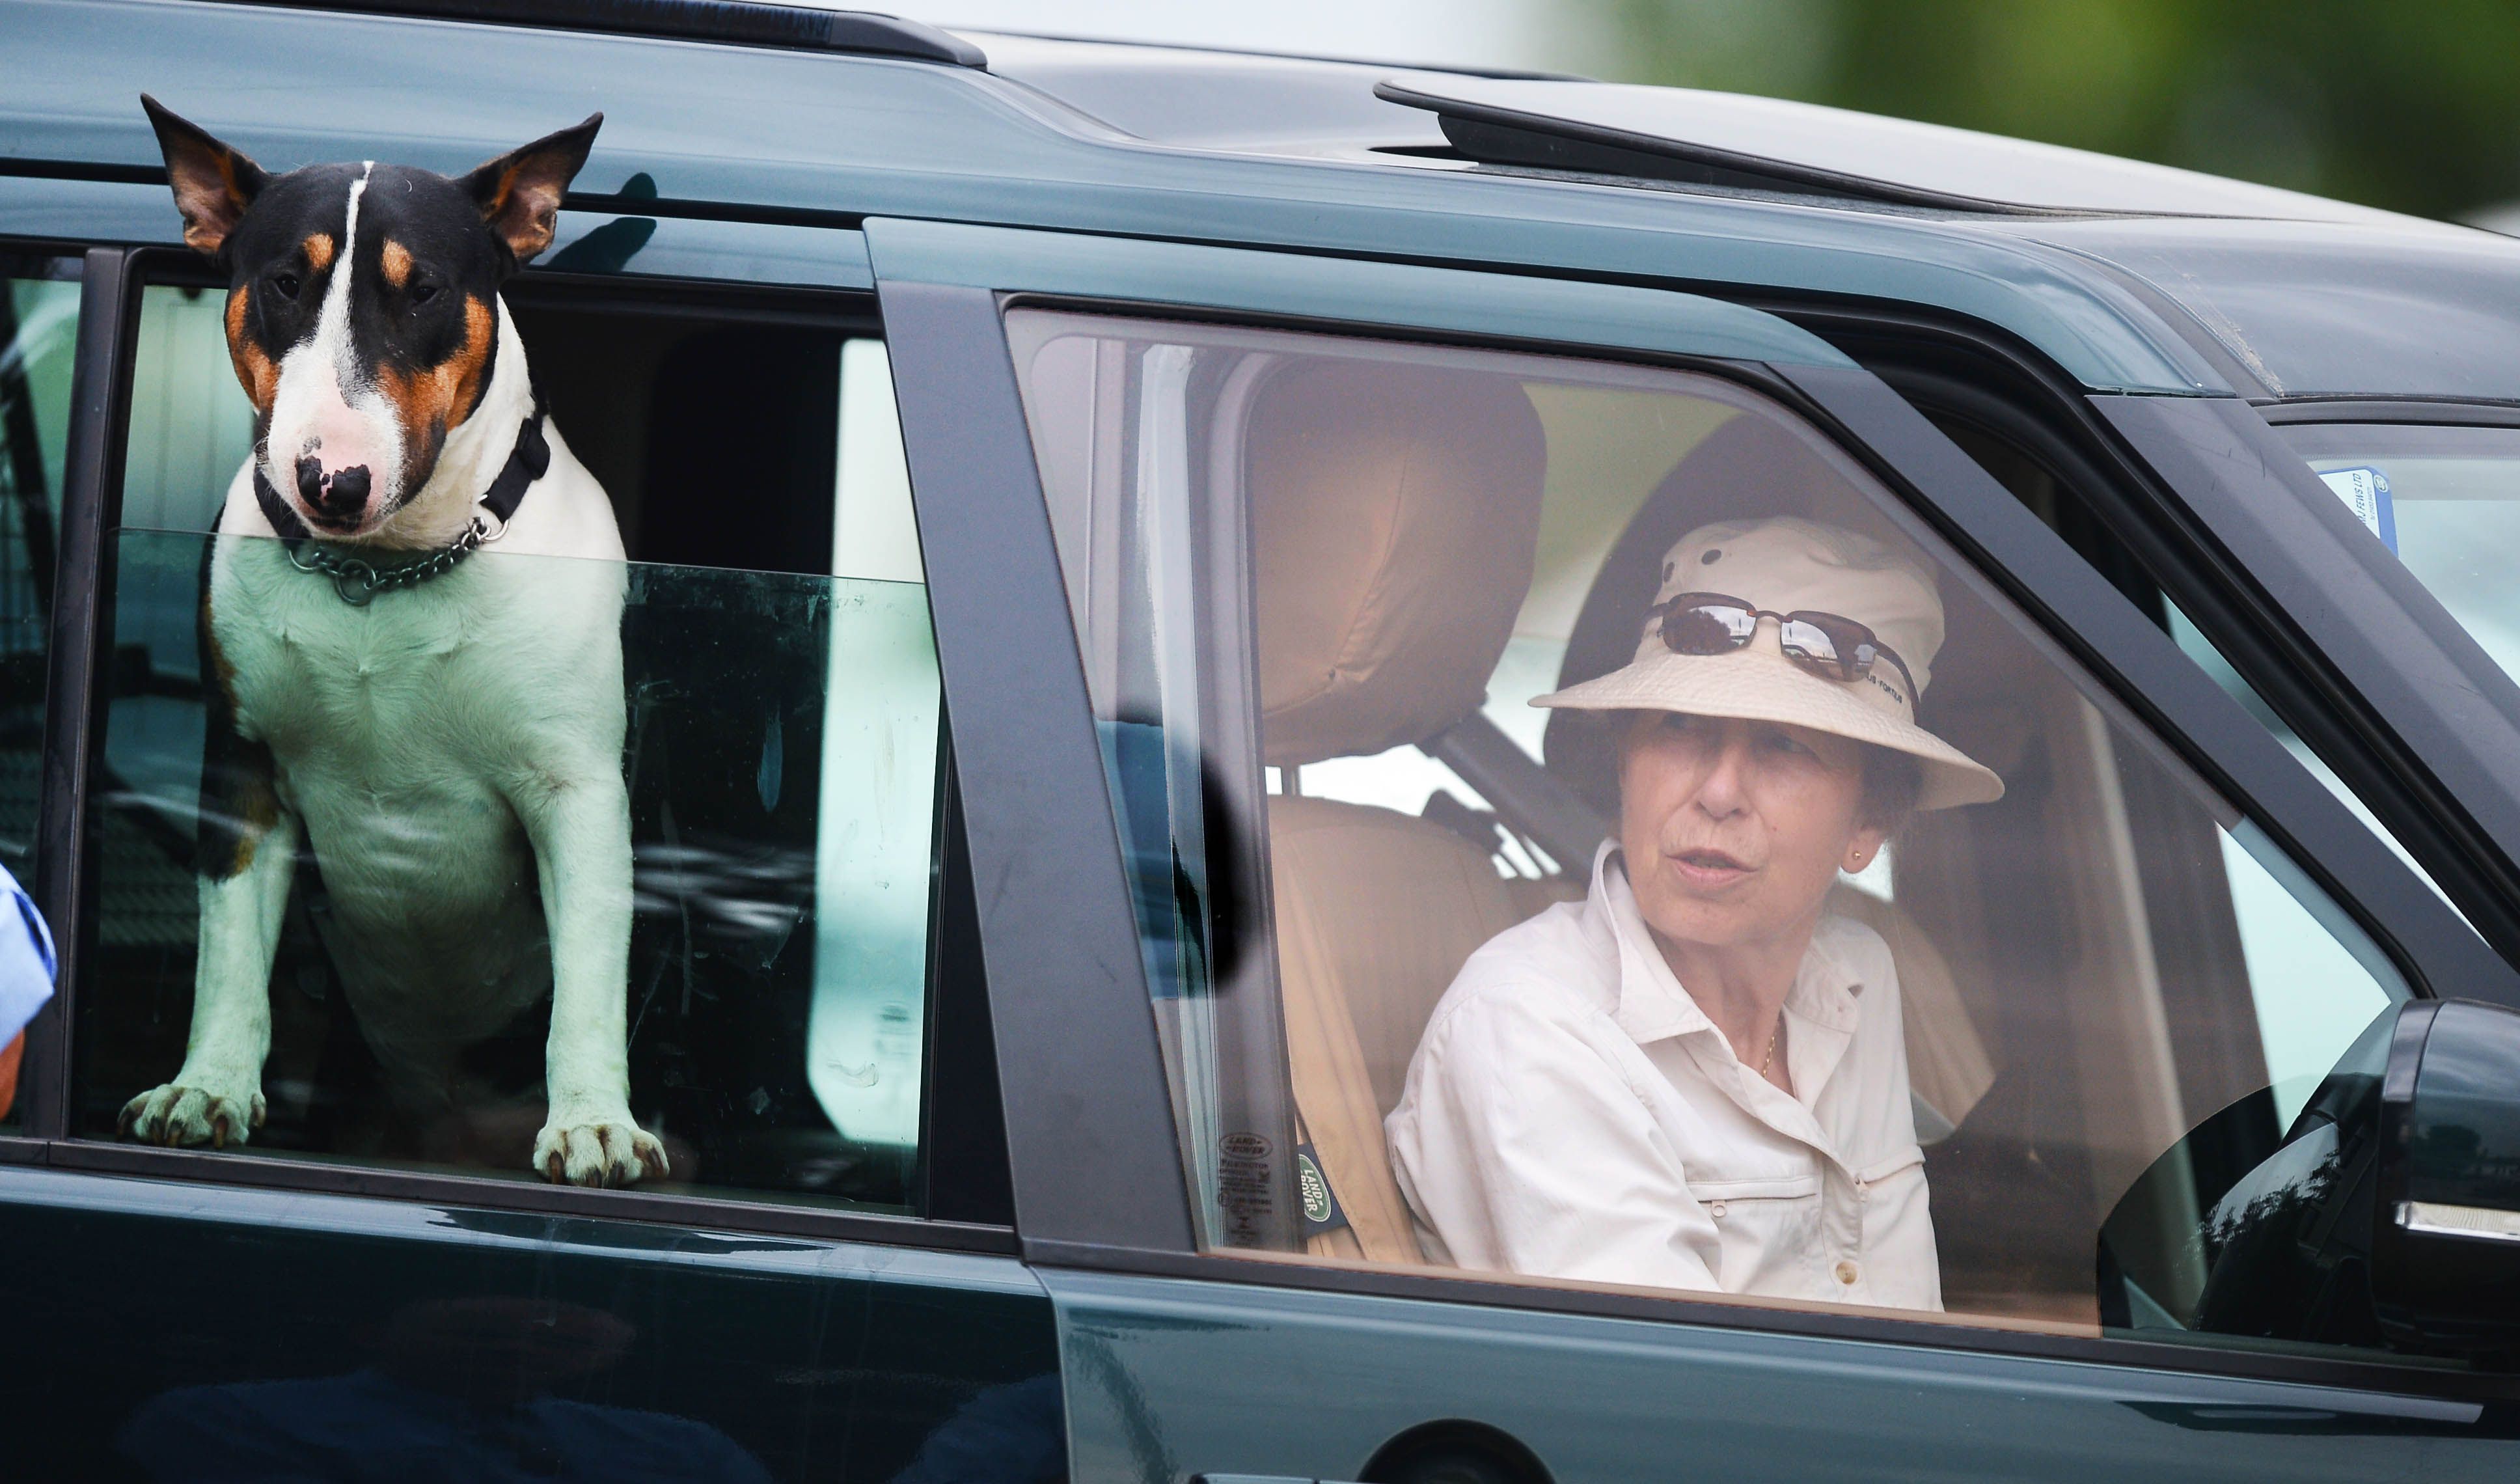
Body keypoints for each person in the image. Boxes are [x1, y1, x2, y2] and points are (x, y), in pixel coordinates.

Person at [1386, 517, 2003, 1310]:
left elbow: (1906, 1323)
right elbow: (1678, 1411)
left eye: (1785, 746)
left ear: (1866, 825)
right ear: (1624, 765)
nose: (1716, 792)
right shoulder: (1529, 1022)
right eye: (1678, 727)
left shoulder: (1855, 976)